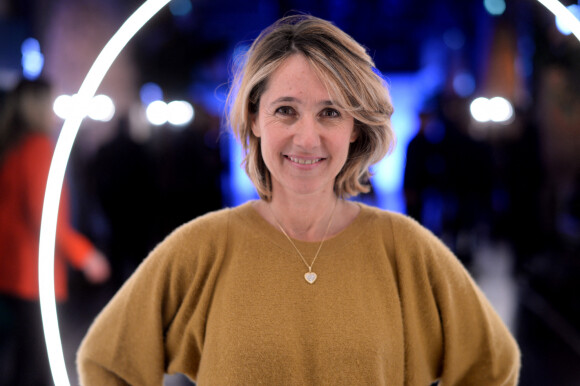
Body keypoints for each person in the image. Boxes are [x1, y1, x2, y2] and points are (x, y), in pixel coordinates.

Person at [77, 14, 520, 385]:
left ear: (355, 127)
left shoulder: (404, 251)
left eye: (330, 112)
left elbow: (491, 364)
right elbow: (106, 361)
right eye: (285, 110)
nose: (307, 138)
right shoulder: (201, 251)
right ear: (254, 119)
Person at [0, 78, 110, 385]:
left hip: (13, 271)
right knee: (37, 367)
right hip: (33, 276)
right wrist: (85, 255)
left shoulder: (13, 147)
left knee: (25, 361)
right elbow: (44, 216)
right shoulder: (37, 148)